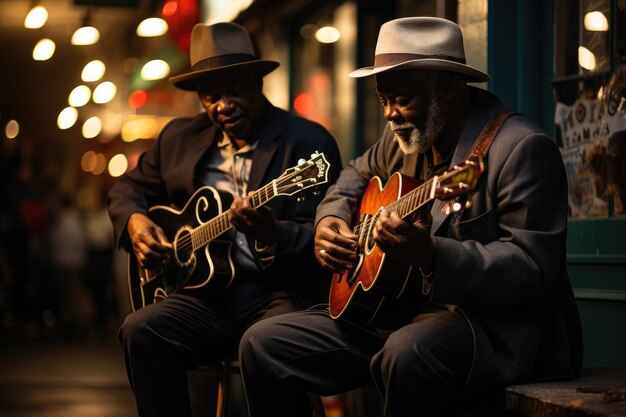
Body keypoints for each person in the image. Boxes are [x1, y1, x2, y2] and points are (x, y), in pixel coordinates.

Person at [238, 16, 583, 417]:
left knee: (405, 354)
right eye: (383, 100)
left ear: (448, 88)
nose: (390, 114)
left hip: (487, 329)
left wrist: (434, 255)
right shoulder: (405, 137)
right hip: (396, 312)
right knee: (262, 343)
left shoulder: (520, 148)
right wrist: (329, 221)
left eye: (402, 99)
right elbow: (352, 174)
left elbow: (532, 270)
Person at [107, 21, 342, 417]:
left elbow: (321, 237)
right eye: (211, 97)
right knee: (140, 330)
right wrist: (135, 222)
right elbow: (126, 189)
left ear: (258, 83)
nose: (223, 106)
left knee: (270, 340)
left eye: (234, 91)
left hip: (274, 294)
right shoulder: (178, 138)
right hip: (201, 299)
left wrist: (271, 234)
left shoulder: (308, 144)